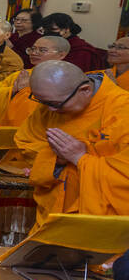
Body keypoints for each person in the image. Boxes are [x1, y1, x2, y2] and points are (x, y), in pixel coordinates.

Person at [12, 61, 129, 229]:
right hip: (53, 209)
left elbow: (124, 176)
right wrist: (56, 159)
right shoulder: (51, 103)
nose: (50, 110)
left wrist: (79, 157)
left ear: (85, 90)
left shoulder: (122, 110)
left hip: (106, 223)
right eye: (42, 102)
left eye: (55, 104)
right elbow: (26, 141)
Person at [0, 35, 70, 127]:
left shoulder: (67, 78)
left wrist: (25, 91)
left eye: (42, 50)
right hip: (9, 129)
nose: (34, 53)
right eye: (32, 49)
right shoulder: (20, 75)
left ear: (61, 55)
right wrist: (13, 91)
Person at [41, 12, 106, 72]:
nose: (48, 33)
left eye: (53, 29)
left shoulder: (82, 51)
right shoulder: (51, 43)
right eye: (46, 30)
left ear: (67, 29)